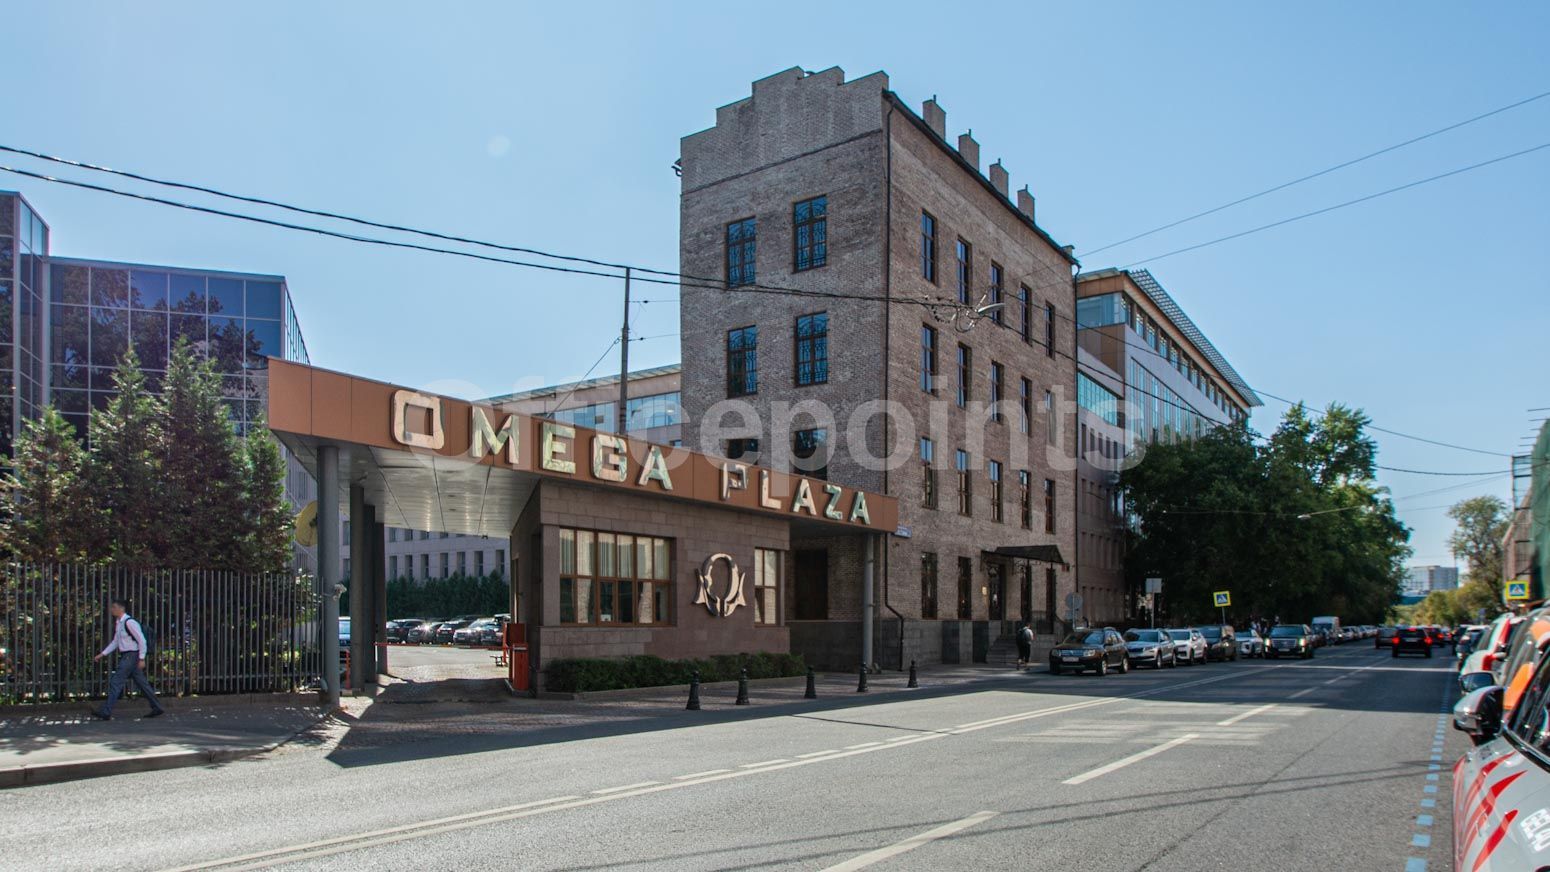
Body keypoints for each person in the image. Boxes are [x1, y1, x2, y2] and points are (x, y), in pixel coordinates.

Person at [91, 599, 164, 720]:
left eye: (114, 607)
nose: (112, 610)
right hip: (129, 656)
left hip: (131, 656)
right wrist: (102, 654)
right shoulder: (119, 623)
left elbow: (142, 640)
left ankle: (106, 711)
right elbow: (116, 642)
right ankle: (157, 706)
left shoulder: (129, 622)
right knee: (142, 683)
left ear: (121, 608)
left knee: (116, 682)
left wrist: (141, 658)